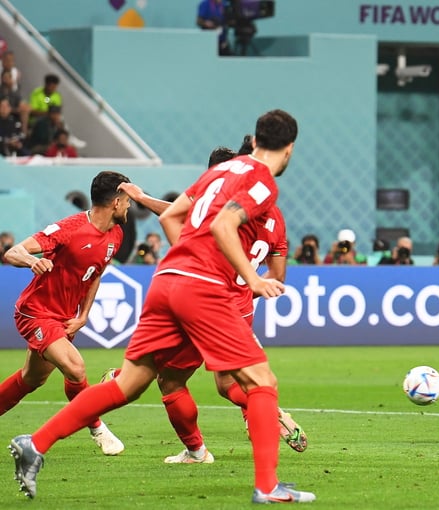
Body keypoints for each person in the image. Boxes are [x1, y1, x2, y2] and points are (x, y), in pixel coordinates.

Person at [9, 109, 316, 504]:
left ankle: (35, 443)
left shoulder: (219, 173)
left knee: (128, 384)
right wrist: (249, 278)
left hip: (167, 280)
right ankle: (267, 487)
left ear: (255, 141)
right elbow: (224, 228)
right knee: (261, 383)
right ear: (289, 149)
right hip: (203, 289)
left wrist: (188, 255)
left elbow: (173, 216)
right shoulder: (260, 184)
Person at [114, 139, 307, 463]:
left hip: (205, 298)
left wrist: (143, 198)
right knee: (227, 382)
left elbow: (178, 218)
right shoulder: (273, 213)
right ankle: (263, 412)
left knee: (169, 378)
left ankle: (196, 450)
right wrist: (254, 280)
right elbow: (278, 273)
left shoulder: (220, 205)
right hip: (242, 305)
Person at [0, 171, 130, 458]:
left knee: (31, 379)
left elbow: (95, 274)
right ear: (116, 202)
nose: (130, 206)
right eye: (128, 200)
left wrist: (84, 315)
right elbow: (12, 252)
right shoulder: (69, 229)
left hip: (64, 317)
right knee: (76, 368)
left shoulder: (116, 234)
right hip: (36, 312)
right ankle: (97, 427)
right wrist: (32, 261)